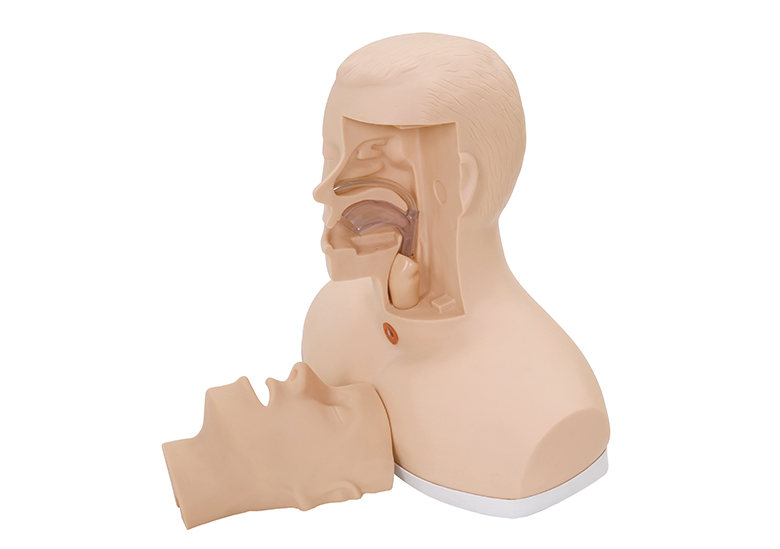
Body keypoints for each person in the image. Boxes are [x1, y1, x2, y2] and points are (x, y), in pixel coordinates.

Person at [303, 33, 609, 513]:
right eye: (329, 154)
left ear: (457, 184)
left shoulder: (549, 407)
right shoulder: (330, 319)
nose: (325, 191)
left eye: (371, 161)